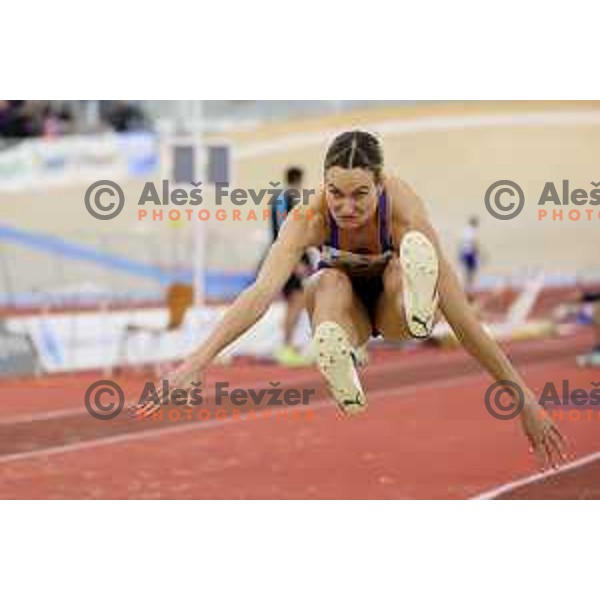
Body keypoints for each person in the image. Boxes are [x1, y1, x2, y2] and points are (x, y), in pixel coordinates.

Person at [134, 130, 566, 470]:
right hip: (348, 313)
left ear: (380, 185)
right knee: (323, 285)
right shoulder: (309, 217)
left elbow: (464, 319)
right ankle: (338, 358)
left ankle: (416, 308)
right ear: (323, 184)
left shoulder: (404, 214)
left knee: (404, 268)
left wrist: (522, 398)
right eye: (336, 192)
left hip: (393, 309)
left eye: (360, 194)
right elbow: (261, 292)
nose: (346, 206)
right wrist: (197, 361)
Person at [270, 167, 313, 366]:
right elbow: (282, 231)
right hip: (290, 257)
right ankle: (285, 346)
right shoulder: (284, 199)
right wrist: (295, 261)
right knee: (295, 302)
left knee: (296, 302)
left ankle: (287, 344)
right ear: (297, 180)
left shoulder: (288, 199)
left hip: (294, 256)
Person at [459, 215, 481, 300]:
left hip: (465, 253)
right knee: (471, 273)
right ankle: (469, 291)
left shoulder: (465, 231)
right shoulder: (472, 231)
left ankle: (467, 289)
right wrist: (479, 254)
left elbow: (461, 244)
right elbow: (474, 243)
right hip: (470, 254)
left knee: (467, 273)